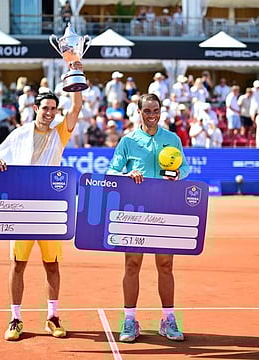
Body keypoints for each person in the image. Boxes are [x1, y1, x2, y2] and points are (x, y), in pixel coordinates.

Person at [0, 61, 84, 342]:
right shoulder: (19, 134)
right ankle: (15, 318)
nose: (49, 113)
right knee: (18, 264)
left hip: (51, 209)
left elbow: (76, 107)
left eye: (53, 109)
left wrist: (75, 68)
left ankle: (52, 317)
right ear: (35, 109)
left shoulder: (60, 133)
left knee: (52, 265)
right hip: (21, 209)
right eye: (45, 108)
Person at [107, 93, 189, 343]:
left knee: (165, 266)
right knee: (132, 265)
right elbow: (112, 170)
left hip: (165, 208)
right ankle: (130, 320)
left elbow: (184, 168)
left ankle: (168, 319)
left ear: (161, 112)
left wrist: (178, 175)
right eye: (147, 111)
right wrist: (127, 174)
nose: (152, 116)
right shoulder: (128, 141)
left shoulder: (172, 139)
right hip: (135, 211)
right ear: (138, 112)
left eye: (155, 111)